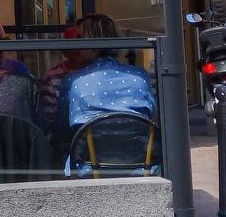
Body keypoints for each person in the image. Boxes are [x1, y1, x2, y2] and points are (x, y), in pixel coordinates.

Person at [47, 13, 156, 155]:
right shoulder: (139, 77)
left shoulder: (74, 81)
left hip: (88, 167)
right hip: (139, 163)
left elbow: (62, 131)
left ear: (93, 44)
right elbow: (153, 119)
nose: (75, 44)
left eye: (80, 38)